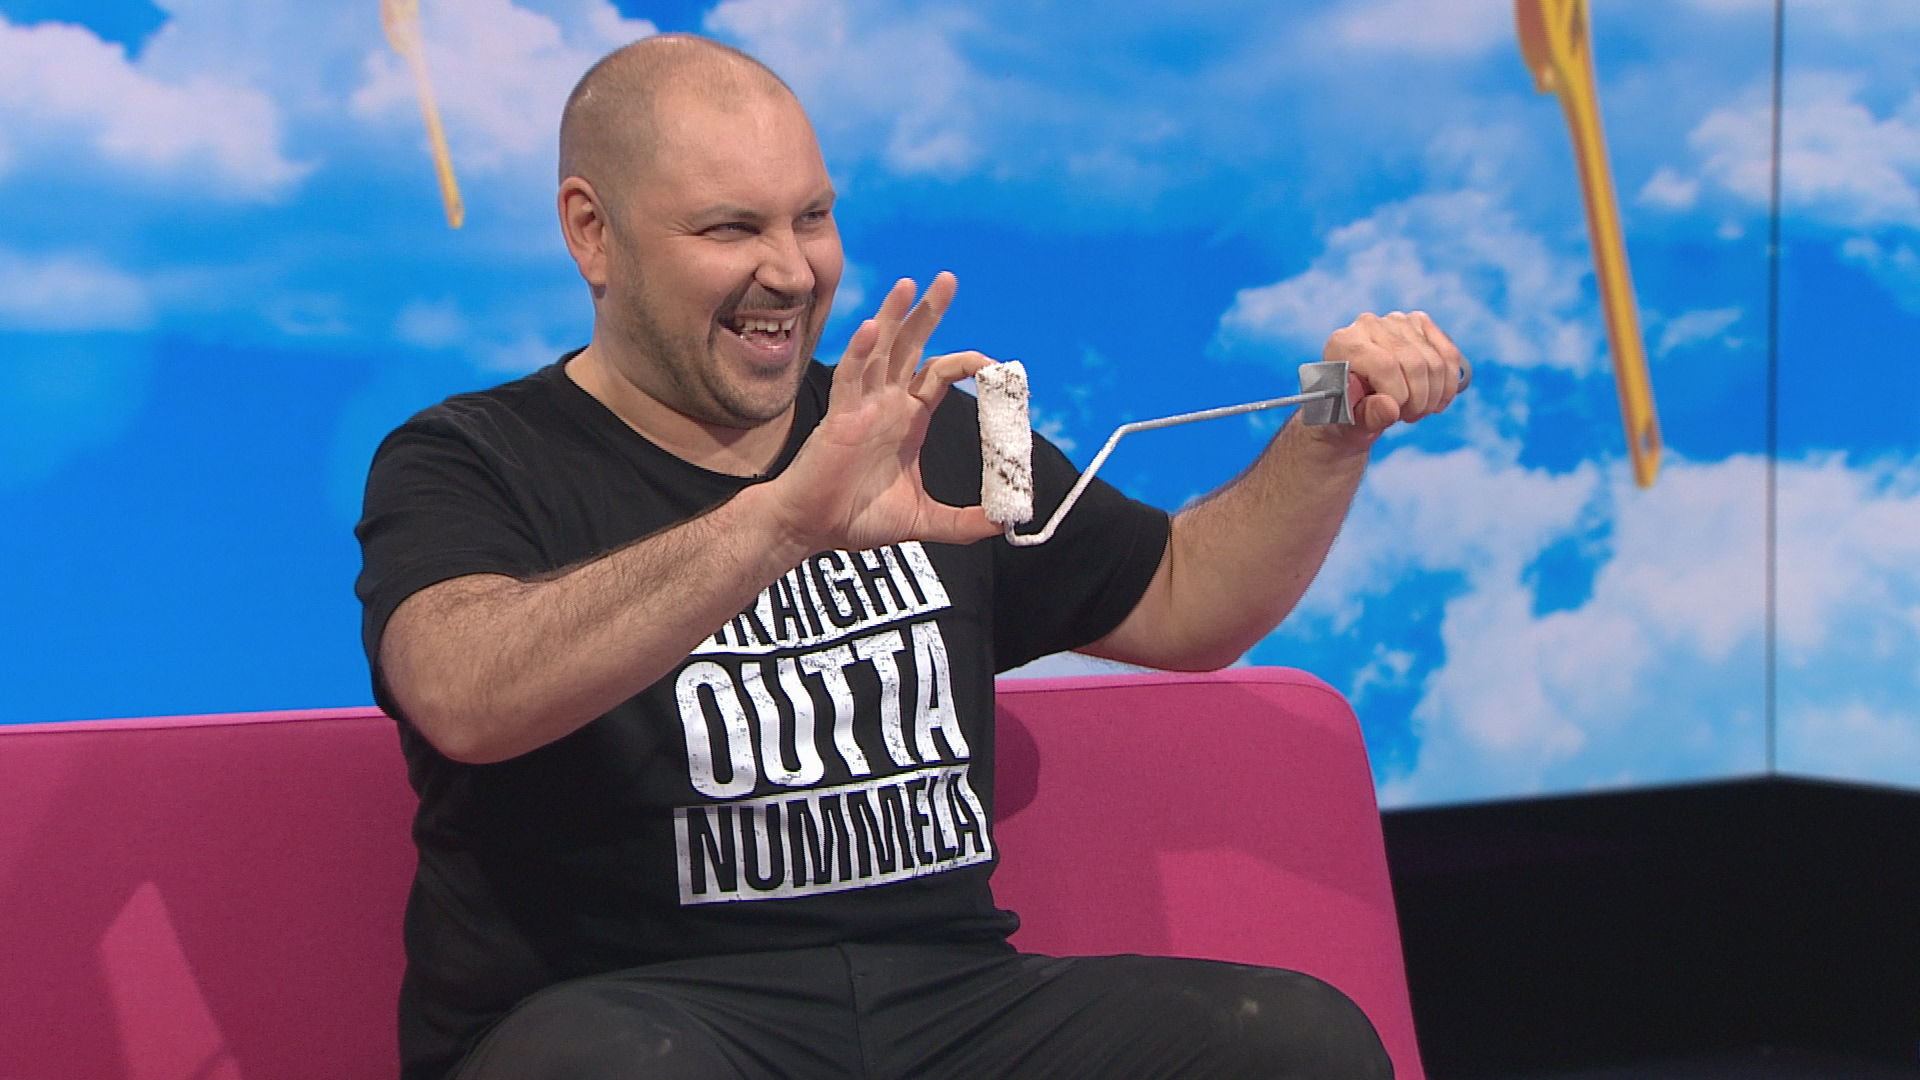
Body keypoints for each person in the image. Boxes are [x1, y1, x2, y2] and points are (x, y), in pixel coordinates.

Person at [355, 33, 1463, 1080]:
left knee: (1300, 1044)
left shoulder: (919, 429)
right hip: (639, 1014)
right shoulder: (469, 458)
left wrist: (1332, 434)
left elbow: (1182, 597)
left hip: (946, 1003)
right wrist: (782, 522)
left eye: (813, 217)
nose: (792, 272)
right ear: (592, 232)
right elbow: (464, 696)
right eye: (731, 229)